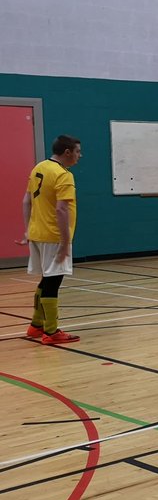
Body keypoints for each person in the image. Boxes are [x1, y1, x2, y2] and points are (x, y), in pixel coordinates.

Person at [18, 135, 83, 344]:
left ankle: (36, 325)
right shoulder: (63, 175)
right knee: (53, 281)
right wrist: (64, 242)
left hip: (37, 234)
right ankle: (51, 331)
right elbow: (61, 209)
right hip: (53, 236)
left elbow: (26, 201)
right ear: (67, 152)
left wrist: (28, 231)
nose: (80, 156)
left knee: (47, 279)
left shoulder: (39, 167)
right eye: (78, 151)